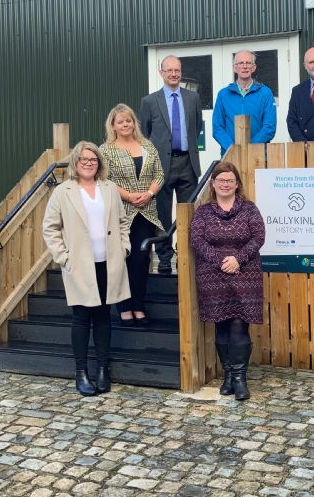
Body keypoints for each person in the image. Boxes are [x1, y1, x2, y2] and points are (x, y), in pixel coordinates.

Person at [43, 141, 131, 396]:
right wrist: (64, 257)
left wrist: (124, 248)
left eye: (93, 159)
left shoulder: (110, 188)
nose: (89, 163)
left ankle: (103, 369)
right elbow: (50, 227)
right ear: (75, 163)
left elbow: (122, 222)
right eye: (84, 159)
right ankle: (81, 372)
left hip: (108, 262)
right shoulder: (63, 191)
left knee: (104, 316)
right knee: (81, 318)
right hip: (79, 265)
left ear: (99, 163)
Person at [189, 161, 265, 401]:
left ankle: (240, 378)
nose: (225, 184)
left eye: (230, 180)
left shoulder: (249, 209)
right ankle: (228, 376)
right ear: (213, 184)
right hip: (213, 275)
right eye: (221, 180)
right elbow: (197, 240)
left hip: (245, 274)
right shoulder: (203, 212)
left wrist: (238, 259)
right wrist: (222, 260)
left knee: (239, 325)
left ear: (237, 184)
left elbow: (258, 237)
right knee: (221, 325)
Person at [100, 104, 164, 326]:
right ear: (113, 126)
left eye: (129, 120)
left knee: (141, 259)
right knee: (121, 260)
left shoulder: (147, 146)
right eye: (121, 121)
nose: (126, 124)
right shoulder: (106, 150)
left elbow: (159, 174)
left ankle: (139, 305)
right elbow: (104, 179)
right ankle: (124, 307)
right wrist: (127, 195)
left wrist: (148, 193)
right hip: (120, 212)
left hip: (146, 212)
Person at [139, 55, 202, 273]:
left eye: (177, 70)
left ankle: (186, 253)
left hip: (187, 163)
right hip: (162, 165)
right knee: (163, 214)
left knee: (190, 214)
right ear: (161, 73)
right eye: (169, 70)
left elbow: (196, 128)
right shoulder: (149, 101)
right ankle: (164, 258)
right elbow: (145, 133)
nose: (174, 74)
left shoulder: (193, 98)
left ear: (180, 72)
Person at [212, 50, 276, 155]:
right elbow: (217, 128)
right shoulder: (223, 95)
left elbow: (269, 127)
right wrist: (232, 148)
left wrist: (250, 147)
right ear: (235, 68)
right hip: (230, 154)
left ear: (254, 67)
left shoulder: (265, 93)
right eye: (241, 63)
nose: (244, 66)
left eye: (248, 63)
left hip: (258, 154)